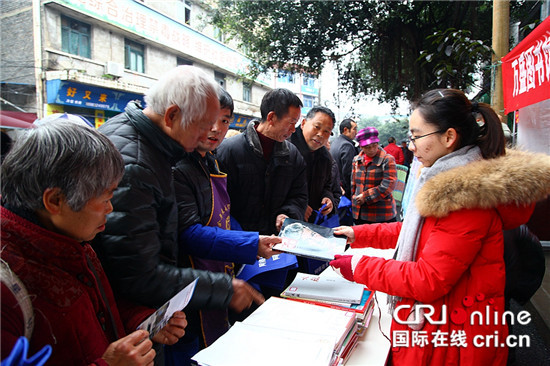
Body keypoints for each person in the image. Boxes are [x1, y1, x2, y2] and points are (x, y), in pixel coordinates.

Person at [330, 89, 550, 365]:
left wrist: (360, 266)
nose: (410, 146)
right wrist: (358, 234)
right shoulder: (448, 182)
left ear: (448, 137)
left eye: (416, 136)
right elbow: (419, 231)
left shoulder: (467, 197)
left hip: (450, 340)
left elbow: (429, 278)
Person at [93, 66, 264, 364]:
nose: (210, 133)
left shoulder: (152, 145)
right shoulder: (136, 164)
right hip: (129, 324)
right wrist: (223, 287)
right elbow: (136, 273)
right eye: (203, 125)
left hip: (144, 313)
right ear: (172, 115)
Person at [1, 120, 187, 365]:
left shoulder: (69, 238)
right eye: (105, 197)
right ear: (55, 200)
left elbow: (96, 310)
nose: (110, 209)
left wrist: (142, 322)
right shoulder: (7, 289)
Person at [173, 88, 281, 347]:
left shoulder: (211, 161)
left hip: (220, 268)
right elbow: (188, 233)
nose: (216, 129)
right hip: (190, 282)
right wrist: (248, 244)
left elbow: (223, 216)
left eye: (224, 120)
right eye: (209, 119)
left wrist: (250, 242)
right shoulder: (178, 166)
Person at [216, 88, 308, 235]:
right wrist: (244, 239)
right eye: (291, 122)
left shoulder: (293, 156)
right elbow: (219, 204)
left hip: (275, 242)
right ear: (271, 117)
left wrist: (287, 214)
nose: (293, 130)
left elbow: (299, 195)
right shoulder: (229, 151)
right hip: (238, 242)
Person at [289, 106, 336, 223]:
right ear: (303, 123)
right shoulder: (285, 148)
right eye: (317, 127)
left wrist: (328, 198)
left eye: (326, 131)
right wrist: (298, 206)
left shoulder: (325, 157)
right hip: (284, 220)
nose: (320, 134)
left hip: (310, 222)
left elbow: (327, 185)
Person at [351, 126, 397, 224]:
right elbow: (353, 184)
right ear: (361, 147)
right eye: (367, 147)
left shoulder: (387, 159)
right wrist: (354, 200)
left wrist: (366, 196)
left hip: (382, 214)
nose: (372, 149)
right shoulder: (356, 160)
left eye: (374, 145)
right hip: (360, 213)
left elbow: (388, 185)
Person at [330, 118, 358, 201]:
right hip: (344, 191)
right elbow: (348, 172)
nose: (356, 132)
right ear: (346, 129)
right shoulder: (347, 146)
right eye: (354, 129)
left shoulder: (335, 142)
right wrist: (351, 193)